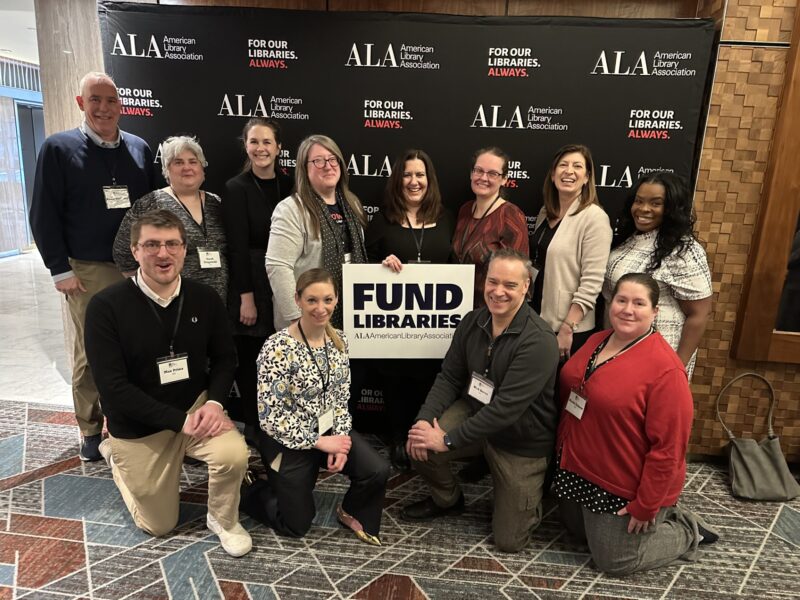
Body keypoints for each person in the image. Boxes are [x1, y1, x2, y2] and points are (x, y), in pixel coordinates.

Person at [84, 210, 251, 557]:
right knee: (159, 525)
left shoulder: (204, 298)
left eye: (172, 244)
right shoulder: (105, 307)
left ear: (184, 248)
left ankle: (222, 519)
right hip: (138, 425)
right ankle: (117, 459)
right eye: (152, 245)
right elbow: (113, 388)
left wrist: (214, 404)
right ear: (135, 251)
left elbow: (225, 359)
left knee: (235, 454)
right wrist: (179, 421)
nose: (163, 254)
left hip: (193, 408)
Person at [29, 71, 157, 461]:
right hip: (87, 270)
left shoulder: (138, 148)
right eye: (95, 100)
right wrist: (59, 269)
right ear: (81, 103)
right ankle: (89, 427)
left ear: (121, 105)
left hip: (138, 269)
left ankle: (134, 421)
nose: (104, 108)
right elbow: (43, 213)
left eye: (110, 100)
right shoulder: (58, 148)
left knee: (139, 348)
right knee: (92, 351)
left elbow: (151, 208)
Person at [556, 272, 718, 575]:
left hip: (624, 482)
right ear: (610, 304)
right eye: (621, 300)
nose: (628, 309)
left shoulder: (666, 371)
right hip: (579, 466)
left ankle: (685, 529)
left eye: (639, 303)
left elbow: (669, 450)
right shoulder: (596, 340)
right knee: (577, 534)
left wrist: (645, 505)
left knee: (615, 560)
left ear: (655, 311)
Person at [400, 249, 559, 553]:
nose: (498, 292)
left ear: (526, 287)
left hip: (519, 438)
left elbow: (506, 410)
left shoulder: (539, 340)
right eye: (492, 281)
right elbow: (449, 376)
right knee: (419, 443)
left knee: (510, 541)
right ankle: (448, 500)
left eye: (510, 285)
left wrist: (448, 439)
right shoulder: (473, 321)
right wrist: (424, 420)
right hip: (475, 412)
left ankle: (536, 496)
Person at [243, 268, 389, 545]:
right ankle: (249, 490)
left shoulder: (339, 340)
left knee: (377, 470)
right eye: (312, 300)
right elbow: (271, 418)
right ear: (297, 299)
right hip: (286, 440)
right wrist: (321, 443)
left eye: (327, 300)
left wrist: (343, 442)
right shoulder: (277, 348)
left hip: (330, 432)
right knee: (296, 524)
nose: (320, 308)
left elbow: (342, 397)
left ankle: (352, 510)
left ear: (336, 301)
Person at [365, 149, 455, 470]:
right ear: (397, 179)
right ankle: (398, 439)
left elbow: (454, 265)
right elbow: (364, 266)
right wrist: (381, 264)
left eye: (420, 175)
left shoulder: (446, 218)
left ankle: (420, 439)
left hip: (433, 325)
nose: (414, 181)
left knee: (429, 383)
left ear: (429, 180)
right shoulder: (383, 219)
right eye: (407, 174)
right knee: (395, 384)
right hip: (394, 326)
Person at [222, 118, 293, 438]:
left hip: (286, 277)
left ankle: (281, 419)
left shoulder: (291, 184)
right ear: (246, 146)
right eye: (254, 142)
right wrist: (245, 297)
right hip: (251, 278)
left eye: (267, 142)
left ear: (278, 148)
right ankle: (253, 422)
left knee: (283, 356)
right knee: (252, 359)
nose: (261, 148)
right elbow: (236, 248)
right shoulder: (235, 188)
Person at [603, 172, 712, 377]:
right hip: (620, 345)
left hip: (661, 356)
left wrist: (677, 368)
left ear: (671, 209)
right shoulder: (630, 239)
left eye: (655, 203)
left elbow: (699, 314)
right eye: (639, 201)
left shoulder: (684, 250)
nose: (644, 209)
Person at [266, 134, 367, 330]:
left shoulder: (353, 204)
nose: (328, 166)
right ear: (304, 168)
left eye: (332, 159)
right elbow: (278, 266)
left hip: (350, 317)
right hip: (305, 321)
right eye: (318, 161)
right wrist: (297, 320)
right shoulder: (291, 209)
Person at [113, 135, 228, 303]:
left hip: (218, 302)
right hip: (171, 302)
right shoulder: (150, 203)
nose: (187, 168)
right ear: (167, 170)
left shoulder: (216, 202)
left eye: (193, 162)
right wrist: (148, 290)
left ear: (202, 168)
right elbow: (122, 252)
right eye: (178, 162)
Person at [530, 143, 612, 362]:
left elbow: (592, 281)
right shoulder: (545, 212)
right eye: (563, 165)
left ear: (586, 177)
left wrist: (568, 327)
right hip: (538, 318)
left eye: (577, 166)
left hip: (569, 329)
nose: (569, 171)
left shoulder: (594, 218)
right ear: (553, 173)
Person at [452, 147, 529, 308]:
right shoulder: (464, 210)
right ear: (471, 174)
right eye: (478, 170)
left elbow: (517, 278)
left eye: (493, 173)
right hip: (457, 309)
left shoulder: (511, 216)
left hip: (492, 312)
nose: (483, 177)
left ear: (504, 179)